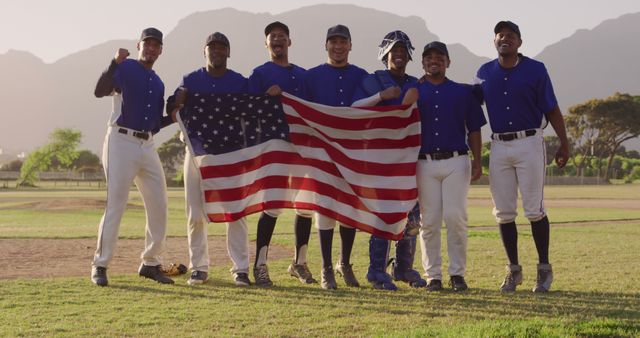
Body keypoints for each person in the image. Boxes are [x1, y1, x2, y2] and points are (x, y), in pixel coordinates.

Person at [474, 21, 569, 292]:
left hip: (529, 142)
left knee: (534, 209)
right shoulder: (483, 72)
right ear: (494, 41)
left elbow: (552, 109)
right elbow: (469, 103)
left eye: (511, 35)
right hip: (499, 145)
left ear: (519, 42)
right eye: (500, 35)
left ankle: (544, 269)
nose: (505, 38)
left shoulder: (535, 70)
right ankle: (513, 270)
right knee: (503, 212)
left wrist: (564, 143)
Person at [166, 32, 252, 286]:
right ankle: (199, 267)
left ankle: (241, 268)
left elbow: (252, 112)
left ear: (228, 52)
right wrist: (176, 103)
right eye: (211, 47)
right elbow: (171, 110)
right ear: (204, 52)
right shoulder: (190, 80)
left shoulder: (239, 82)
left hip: (230, 154)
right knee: (195, 213)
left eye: (221, 47)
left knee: (235, 212)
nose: (216, 51)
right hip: (196, 154)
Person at [91, 28, 174, 286]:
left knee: (159, 204)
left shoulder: (158, 82)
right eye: (147, 44)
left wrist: (173, 115)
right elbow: (100, 91)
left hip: (147, 144)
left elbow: (154, 124)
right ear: (139, 46)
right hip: (121, 140)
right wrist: (113, 63)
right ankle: (100, 264)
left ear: (160, 50)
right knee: (116, 203)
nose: (150, 48)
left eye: (155, 45)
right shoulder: (125, 68)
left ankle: (150, 263)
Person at [407, 41, 486, 292]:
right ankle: (433, 277)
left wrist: (477, 160)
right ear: (422, 63)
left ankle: (457, 274)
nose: (434, 61)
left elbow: (474, 128)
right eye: (428, 57)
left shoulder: (462, 92)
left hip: (456, 160)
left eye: (439, 57)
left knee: (455, 217)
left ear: (448, 62)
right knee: (428, 221)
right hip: (424, 162)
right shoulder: (413, 91)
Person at [351, 30, 426, 291]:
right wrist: (382, 98)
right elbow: (354, 109)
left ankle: (403, 267)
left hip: (407, 161)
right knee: (383, 217)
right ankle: (376, 271)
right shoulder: (373, 81)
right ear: (385, 54)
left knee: (412, 218)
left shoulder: (416, 82)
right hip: (380, 160)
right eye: (394, 52)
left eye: (403, 52)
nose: (399, 56)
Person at [247, 21, 316, 286]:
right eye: (272, 37)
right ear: (266, 44)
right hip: (275, 146)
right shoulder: (259, 74)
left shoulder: (303, 75)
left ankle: (299, 263)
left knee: (306, 205)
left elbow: (313, 108)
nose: (277, 40)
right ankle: (260, 265)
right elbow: (249, 111)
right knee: (273, 204)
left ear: (290, 42)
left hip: (302, 147)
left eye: (282, 36)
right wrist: (267, 97)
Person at [302, 24, 368, 290]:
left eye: (343, 42)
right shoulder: (312, 76)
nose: (338, 46)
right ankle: (326, 267)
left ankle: (345, 263)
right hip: (321, 153)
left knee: (350, 209)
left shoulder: (363, 76)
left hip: (352, 152)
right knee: (326, 210)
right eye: (333, 42)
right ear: (326, 45)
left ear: (350, 45)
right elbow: (302, 112)